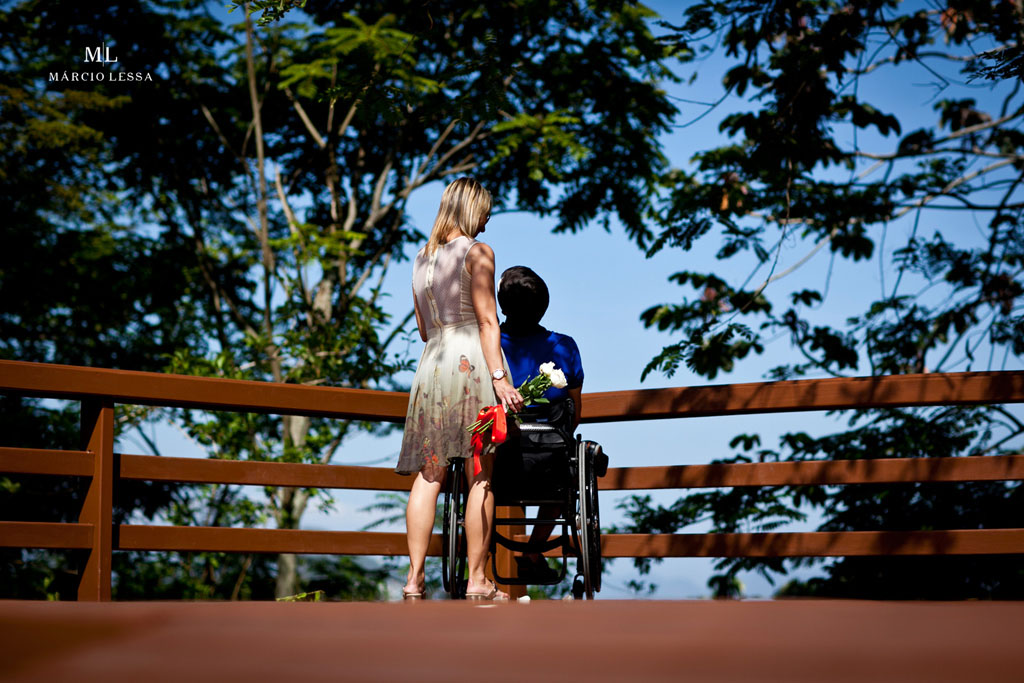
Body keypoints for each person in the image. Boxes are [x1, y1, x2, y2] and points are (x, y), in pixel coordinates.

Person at [396, 177, 525, 601]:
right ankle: (477, 580)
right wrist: (500, 378)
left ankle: (414, 580)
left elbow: (422, 329)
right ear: (471, 209)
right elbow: (489, 322)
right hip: (471, 363)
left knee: (429, 473)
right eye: (485, 211)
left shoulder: (420, 259)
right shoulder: (478, 253)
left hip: (432, 364)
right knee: (480, 472)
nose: (487, 221)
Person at [497, 266, 584, 582]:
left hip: (499, 453)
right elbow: (574, 412)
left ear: (502, 306)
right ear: (543, 307)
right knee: (566, 473)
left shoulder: (488, 346)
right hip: (549, 457)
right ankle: (534, 551)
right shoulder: (565, 346)